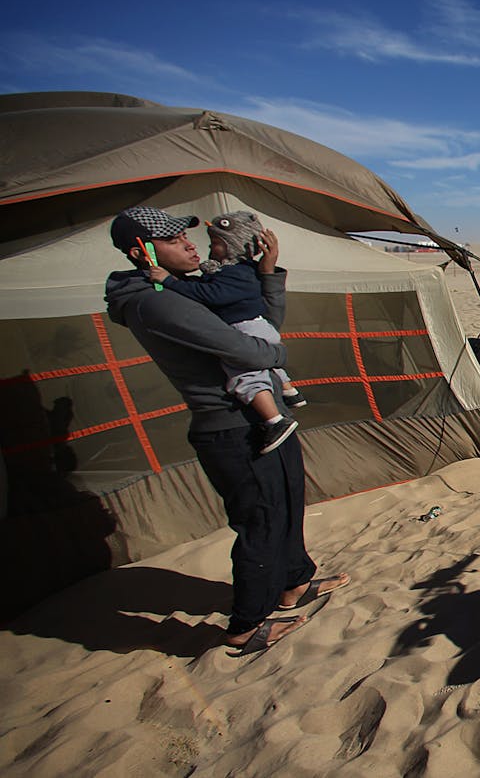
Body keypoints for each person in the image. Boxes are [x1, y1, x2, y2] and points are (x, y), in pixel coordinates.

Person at [105, 206, 348, 655]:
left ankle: (294, 582)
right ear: (142, 250)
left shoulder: (190, 288)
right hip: (231, 426)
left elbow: (260, 326)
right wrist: (279, 357)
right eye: (174, 240)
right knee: (262, 521)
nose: (188, 244)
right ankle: (247, 623)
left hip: (261, 415)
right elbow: (248, 350)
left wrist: (268, 275)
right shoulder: (156, 300)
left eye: (186, 236)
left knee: (289, 500)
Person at [147, 211, 305, 455]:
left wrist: (170, 282)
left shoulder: (231, 273)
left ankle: (275, 421)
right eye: (175, 240)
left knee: (246, 374)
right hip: (260, 329)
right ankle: (288, 390)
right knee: (261, 366)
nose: (197, 247)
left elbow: (213, 297)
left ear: (232, 247)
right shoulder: (241, 271)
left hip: (248, 330)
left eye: (215, 244)